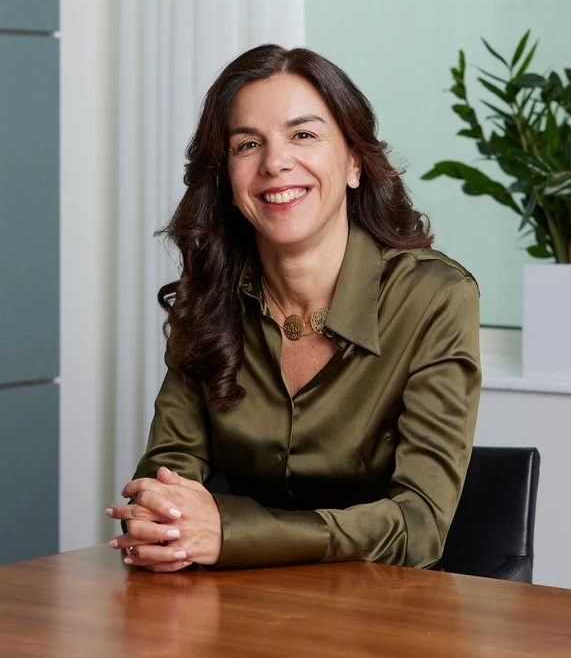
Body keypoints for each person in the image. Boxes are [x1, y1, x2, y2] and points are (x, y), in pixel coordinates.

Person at [106, 44, 481, 572]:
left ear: (353, 162)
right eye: (247, 144)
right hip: (231, 610)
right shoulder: (211, 292)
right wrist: (165, 519)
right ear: (228, 179)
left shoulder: (435, 297)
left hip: (385, 617)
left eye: (303, 134)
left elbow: (419, 527)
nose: (275, 162)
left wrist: (232, 532)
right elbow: (166, 479)